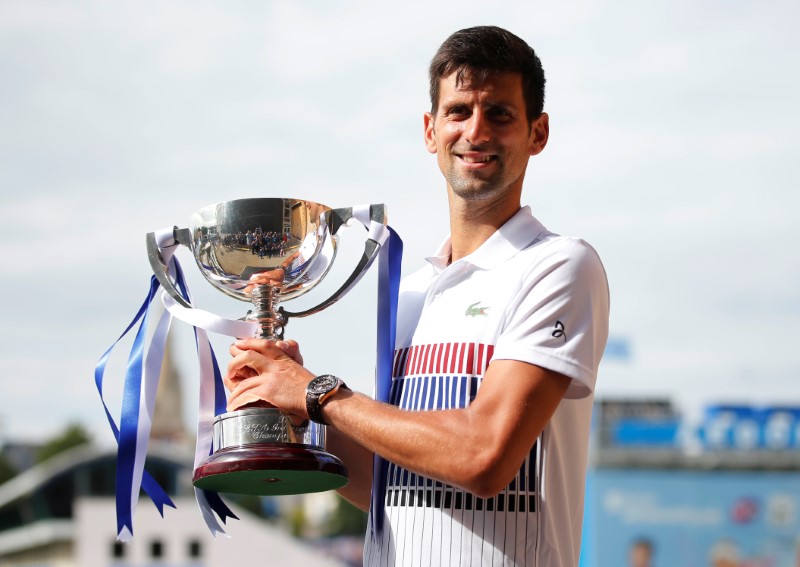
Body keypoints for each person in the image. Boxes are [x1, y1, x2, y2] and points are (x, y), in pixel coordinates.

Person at [225, 26, 610, 567]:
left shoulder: (557, 266)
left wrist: (320, 395)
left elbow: (483, 455)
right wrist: (296, 418)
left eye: (499, 113)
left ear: (537, 133)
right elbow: (388, 484)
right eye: (458, 112)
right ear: (431, 131)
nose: (475, 131)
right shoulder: (412, 292)